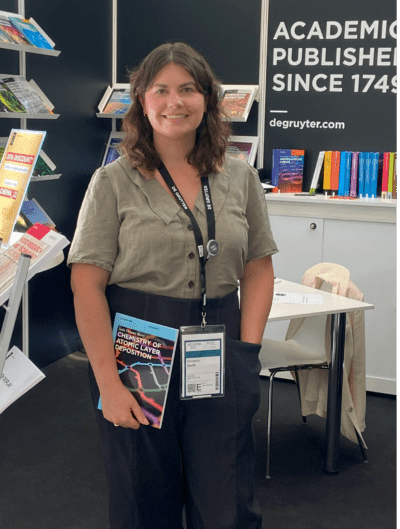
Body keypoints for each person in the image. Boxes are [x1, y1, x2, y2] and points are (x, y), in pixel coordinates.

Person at [68, 42, 277, 529]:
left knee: (227, 497)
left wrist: (246, 354)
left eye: (188, 89)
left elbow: (258, 268)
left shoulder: (240, 177)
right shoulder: (111, 182)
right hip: (139, 347)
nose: (174, 102)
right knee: (144, 496)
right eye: (160, 90)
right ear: (142, 101)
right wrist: (108, 383)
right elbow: (86, 286)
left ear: (208, 99)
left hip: (221, 344)